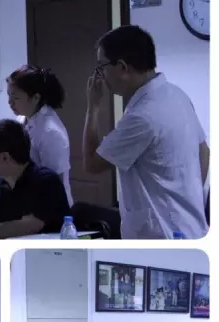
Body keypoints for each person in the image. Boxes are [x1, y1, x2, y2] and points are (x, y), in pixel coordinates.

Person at [83, 25, 209, 239]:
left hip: (162, 234)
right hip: (189, 225)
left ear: (122, 67)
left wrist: (93, 107)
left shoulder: (142, 116)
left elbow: (91, 164)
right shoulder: (176, 95)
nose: (100, 75)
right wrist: (186, 197)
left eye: (101, 66)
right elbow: (204, 153)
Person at [7, 65, 73, 205]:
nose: (10, 102)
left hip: (50, 205)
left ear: (36, 98)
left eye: (16, 98)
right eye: (9, 96)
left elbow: (54, 182)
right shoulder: (22, 119)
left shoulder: (50, 132)